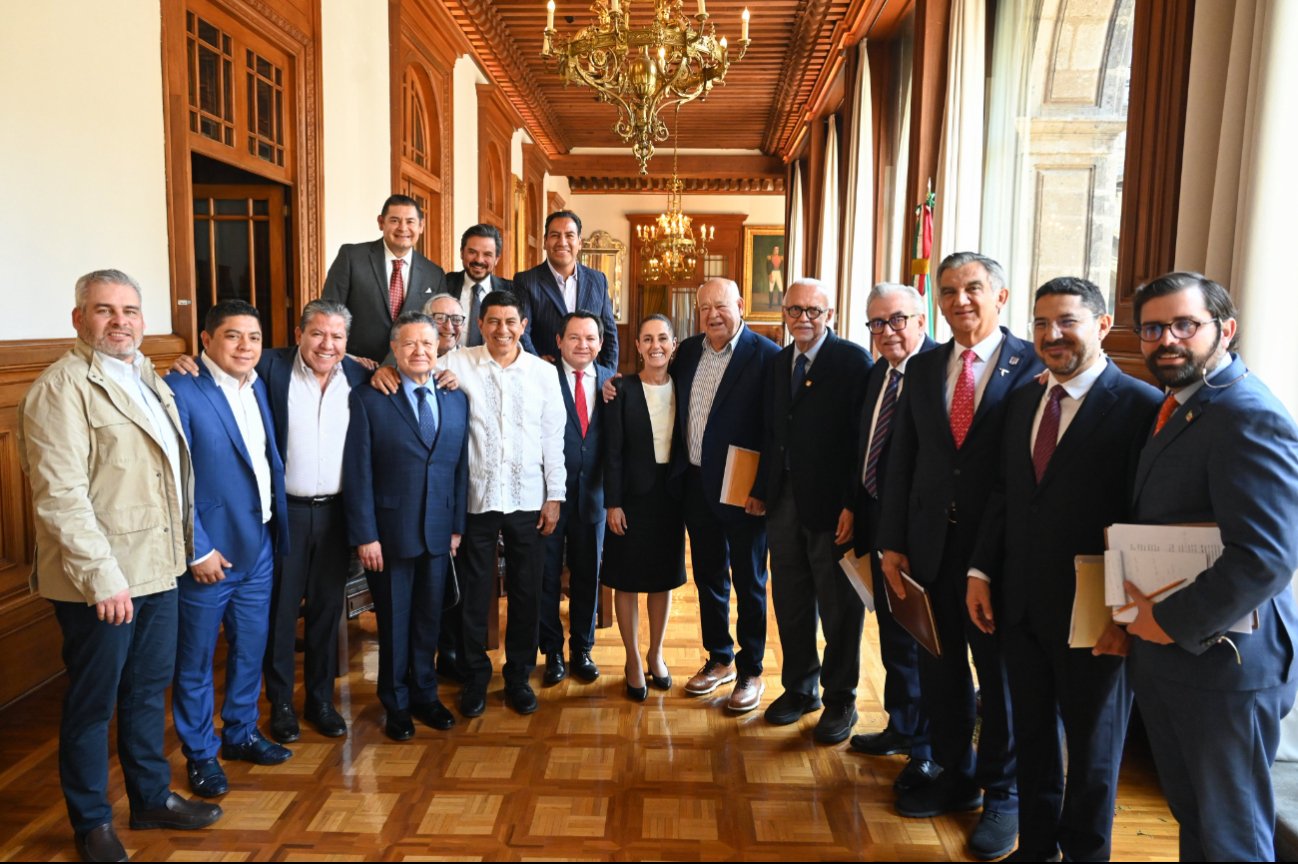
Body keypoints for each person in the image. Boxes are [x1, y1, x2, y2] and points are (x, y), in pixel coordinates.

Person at [18, 270, 221, 862]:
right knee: (93, 703)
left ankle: (152, 798)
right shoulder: (62, 388)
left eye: (130, 310)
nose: (121, 321)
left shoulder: (145, 376)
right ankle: (91, 822)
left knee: (145, 692)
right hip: (101, 582)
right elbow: (61, 496)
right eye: (104, 310)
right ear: (78, 319)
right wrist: (103, 578)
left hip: (159, 568)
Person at [1099, 271, 1298, 861]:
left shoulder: (1246, 413)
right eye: (1153, 328)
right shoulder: (1183, 403)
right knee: (1196, 815)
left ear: (1225, 329)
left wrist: (1173, 620)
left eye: (1185, 325)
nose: (1166, 341)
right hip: (1177, 653)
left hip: (1225, 664)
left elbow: (1267, 555)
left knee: (1230, 834)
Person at [966, 277, 1161, 862]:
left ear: (1102, 326)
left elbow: (1142, 518)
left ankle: (1084, 853)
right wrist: (980, 571)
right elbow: (1006, 492)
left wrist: (1126, 614)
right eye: (1042, 323)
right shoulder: (1024, 398)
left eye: (1067, 322)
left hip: (1096, 613)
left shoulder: (1140, 407)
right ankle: (1037, 847)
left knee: (1094, 750)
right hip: (1019, 603)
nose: (1052, 335)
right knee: (1032, 737)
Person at [878, 252, 1042, 860]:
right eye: (948, 291)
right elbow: (904, 459)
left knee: (997, 681)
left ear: (1001, 296)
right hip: (926, 549)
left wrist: (990, 558)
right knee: (940, 670)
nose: (960, 300)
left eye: (973, 288)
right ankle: (956, 772)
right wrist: (892, 542)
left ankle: (1003, 791)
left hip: (996, 555)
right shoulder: (923, 369)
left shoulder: (1031, 367)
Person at [165, 300, 292, 800]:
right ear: (206, 340)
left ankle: (240, 733)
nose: (245, 347)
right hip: (208, 555)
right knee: (195, 660)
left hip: (259, 544)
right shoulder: (181, 388)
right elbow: (172, 477)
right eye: (233, 336)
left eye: (254, 338)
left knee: (250, 648)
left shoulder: (257, 384)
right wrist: (198, 548)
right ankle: (200, 754)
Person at [750, 278, 871, 743]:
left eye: (813, 311)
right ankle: (800, 688)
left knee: (840, 608)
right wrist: (761, 489)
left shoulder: (852, 361)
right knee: (792, 602)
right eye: (794, 309)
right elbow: (771, 433)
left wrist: (851, 504)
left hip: (832, 509)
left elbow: (861, 442)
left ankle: (840, 698)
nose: (803, 318)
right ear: (783, 312)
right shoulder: (779, 362)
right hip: (783, 504)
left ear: (831, 315)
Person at [440, 290, 567, 717]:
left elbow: (555, 439)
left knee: (527, 591)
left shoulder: (543, 374)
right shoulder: (458, 362)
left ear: (523, 326)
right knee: (475, 593)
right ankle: (476, 676)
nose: (502, 330)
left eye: (510, 321)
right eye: (493, 321)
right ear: (480, 324)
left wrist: (555, 496)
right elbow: (413, 367)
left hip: (529, 496)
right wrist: (380, 372)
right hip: (477, 497)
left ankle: (518, 676)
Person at [344, 312, 469, 739]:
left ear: (439, 349)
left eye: (428, 344)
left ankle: (425, 694)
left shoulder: (455, 397)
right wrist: (366, 535)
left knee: (428, 620)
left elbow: (459, 468)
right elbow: (358, 471)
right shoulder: (370, 398)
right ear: (394, 350)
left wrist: (456, 527)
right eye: (410, 344)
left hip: (438, 533)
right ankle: (395, 703)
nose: (420, 351)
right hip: (390, 535)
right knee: (394, 624)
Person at [256, 301, 370, 742]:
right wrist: (189, 361)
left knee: (326, 612)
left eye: (337, 336)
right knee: (281, 613)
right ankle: (281, 703)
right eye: (318, 334)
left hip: (337, 514)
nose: (327, 344)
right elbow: (220, 366)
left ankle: (320, 700)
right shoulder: (270, 368)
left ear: (347, 341)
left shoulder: (360, 376)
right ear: (300, 334)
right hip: (287, 514)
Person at [672, 277, 780, 712]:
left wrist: (762, 489)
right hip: (696, 484)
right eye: (704, 309)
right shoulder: (688, 353)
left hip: (743, 488)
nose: (713, 315)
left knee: (750, 581)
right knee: (708, 577)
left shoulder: (767, 357)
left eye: (721, 306)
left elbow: (775, 432)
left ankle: (751, 668)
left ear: (740, 304)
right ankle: (720, 658)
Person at [848, 283, 938, 793]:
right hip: (877, 522)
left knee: (926, 642)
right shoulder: (878, 372)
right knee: (894, 637)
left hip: (921, 533)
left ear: (921, 319)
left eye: (896, 320)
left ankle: (928, 749)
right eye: (877, 323)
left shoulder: (936, 375)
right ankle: (902, 726)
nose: (886, 332)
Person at [603, 315, 686, 701]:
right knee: (627, 579)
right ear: (636, 345)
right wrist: (613, 503)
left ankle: (656, 652)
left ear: (674, 344)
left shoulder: (684, 387)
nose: (656, 345)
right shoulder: (621, 389)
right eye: (648, 338)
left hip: (670, 497)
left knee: (662, 578)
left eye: (663, 339)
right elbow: (613, 452)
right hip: (631, 499)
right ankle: (632, 657)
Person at [539, 312, 612, 686]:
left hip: (593, 498)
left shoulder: (612, 384)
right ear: (559, 341)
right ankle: (551, 650)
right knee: (546, 577)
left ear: (600, 343)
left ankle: (582, 649)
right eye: (574, 338)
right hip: (550, 498)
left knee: (588, 575)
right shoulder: (541, 378)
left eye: (590, 338)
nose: (582, 344)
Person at [322, 194, 449, 366]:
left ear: (421, 226)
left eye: (410, 221)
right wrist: (346, 357)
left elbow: (436, 329)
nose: (403, 228)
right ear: (381, 222)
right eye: (395, 220)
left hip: (408, 370)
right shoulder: (352, 257)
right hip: (357, 366)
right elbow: (328, 313)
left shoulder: (434, 273)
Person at [514, 210, 618, 371]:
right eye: (555, 235)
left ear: (579, 243)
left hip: (590, 378)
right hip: (546, 375)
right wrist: (537, 365)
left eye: (569, 235)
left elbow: (609, 333)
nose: (562, 242)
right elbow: (522, 331)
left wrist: (608, 374)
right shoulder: (526, 281)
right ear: (545, 242)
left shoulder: (598, 280)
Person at [445, 224, 519, 348]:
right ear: (462, 253)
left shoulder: (512, 290)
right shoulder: (444, 284)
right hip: (451, 364)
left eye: (487, 254)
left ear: (496, 259)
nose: (479, 260)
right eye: (472, 252)